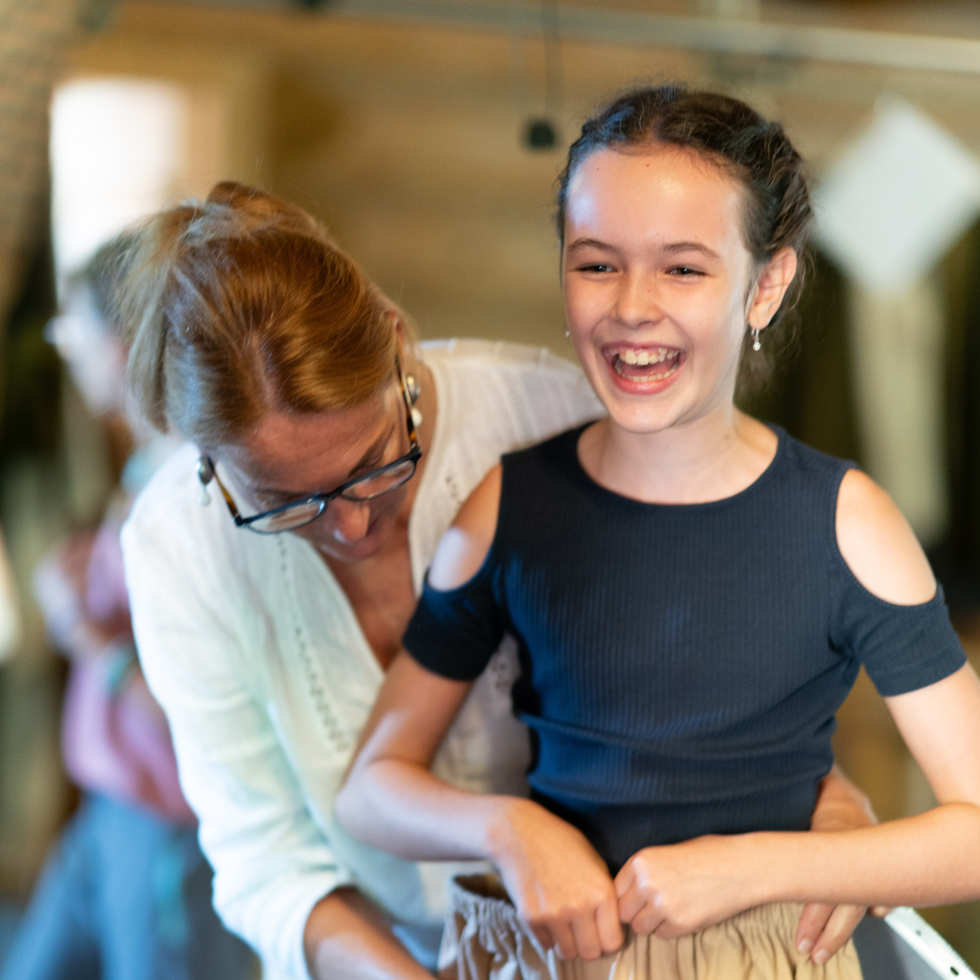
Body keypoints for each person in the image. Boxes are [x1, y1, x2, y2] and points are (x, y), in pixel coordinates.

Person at [119, 181, 879, 980]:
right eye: (282, 502)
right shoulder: (179, 548)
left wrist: (831, 796)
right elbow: (266, 862)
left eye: (373, 464)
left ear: (395, 336)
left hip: (631, 947)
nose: (346, 526)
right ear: (206, 460)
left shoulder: (547, 430)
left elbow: (716, 678)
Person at [335, 85, 980, 980]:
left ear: (767, 285)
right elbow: (371, 788)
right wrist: (510, 830)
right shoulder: (509, 506)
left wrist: (767, 864)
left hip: (761, 960)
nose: (632, 306)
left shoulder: (845, 521)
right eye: (597, 263)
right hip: (552, 954)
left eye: (683, 268)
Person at [1, 236, 254, 980]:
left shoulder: (193, 493)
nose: (63, 347)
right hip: (106, 813)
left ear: (118, 346)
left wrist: (88, 637)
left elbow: (196, 720)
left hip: (166, 831)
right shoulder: (143, 467)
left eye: (71, 326)